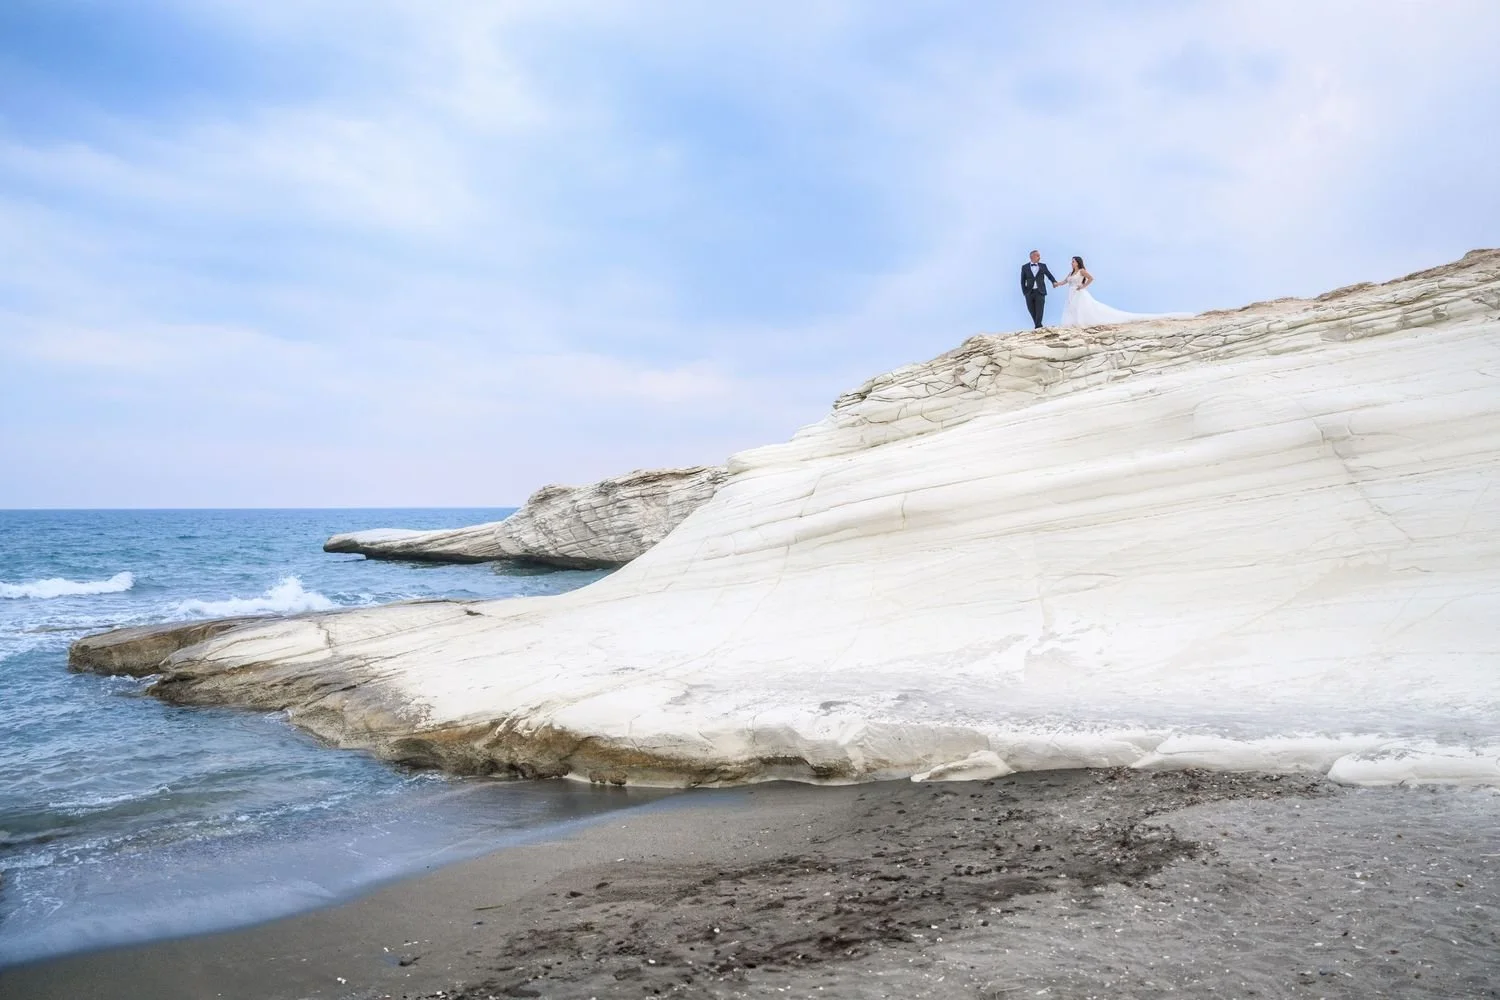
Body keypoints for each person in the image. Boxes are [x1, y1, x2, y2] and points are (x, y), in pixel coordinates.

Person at [1057, 256, 1190, 328]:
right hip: (1071, 293)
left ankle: (1080, 324)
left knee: (1082, 309)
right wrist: (1057, 284)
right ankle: (1072, 324)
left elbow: (1091, 278)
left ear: (1078, 263)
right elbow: (1065, 281)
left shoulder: (1081, 271)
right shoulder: (1071, 272)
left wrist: (1083, 286)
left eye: (1073, 261)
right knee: (1070, 309)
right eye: (1072, 261)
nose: (1072, 263)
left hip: (1079, 293)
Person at [1019, 250, 1058, 329]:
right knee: (1031, 310)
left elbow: (1049, 275)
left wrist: (1054, 281)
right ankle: (1038, 326)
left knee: (1040, 310)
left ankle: (1038, 326)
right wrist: (1025, 292)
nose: (1039, 257)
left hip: (1040, 291)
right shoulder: (1024, 267)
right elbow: (1022, 281)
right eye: (1037, 255)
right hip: (1029, 292)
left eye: (1039, 255)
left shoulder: (1043, 266)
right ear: (1032, 257)